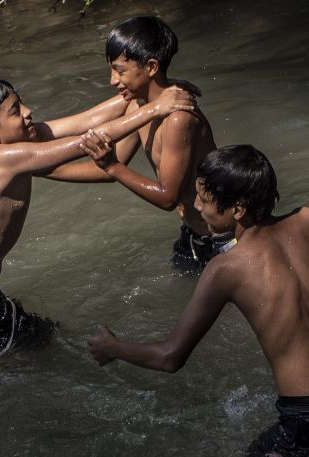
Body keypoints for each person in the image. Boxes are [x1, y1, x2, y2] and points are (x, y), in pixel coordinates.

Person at [87, 145, 309, 457]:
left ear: (237, 209)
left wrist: (113, 347)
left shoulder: (225, 268)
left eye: (204, 200)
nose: (196, 207)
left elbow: (169, 357)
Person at [0, 77, 195, 357]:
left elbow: (89, 119)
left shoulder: (23, 139)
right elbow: (86, 143)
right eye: (15, 111)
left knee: (40, 342)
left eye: (21, 102)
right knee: (46, 353)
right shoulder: (4, 157)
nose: (27, 111)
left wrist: (141, 92)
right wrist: (155, 109)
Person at [78, 17, 223, 271]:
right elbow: (108, 162)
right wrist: (43, 170)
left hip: (221, 241)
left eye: (120, 70)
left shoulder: (179, 118)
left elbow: (167, 197)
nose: (113, 80)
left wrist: (112, 166)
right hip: (192, 233)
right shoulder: (139, 105)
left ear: (152, 66)